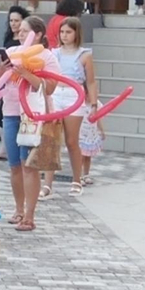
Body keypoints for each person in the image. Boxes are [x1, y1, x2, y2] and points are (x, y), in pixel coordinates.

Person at [14, 16, 61, 226]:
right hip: (13, 111)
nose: (20, 34)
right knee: (16, 164)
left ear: (38, 34)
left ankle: (29, 215)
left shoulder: (48, 57)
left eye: (25, 31)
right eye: (19, 30)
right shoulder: (15, 52)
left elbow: (49, 87)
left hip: (36, 114)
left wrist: (25, 73)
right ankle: (18, 209)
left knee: (29, 165)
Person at [51, 18, 98, 196]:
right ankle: (48, 183)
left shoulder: (85, 55)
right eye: (62, 32)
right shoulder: (54, 53)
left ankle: (76, 179)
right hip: (56, 93)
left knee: (72, 141)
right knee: (53, 139)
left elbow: (91, 81)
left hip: (74, 95)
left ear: (76, 33)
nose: (64, 36)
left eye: (68, 32)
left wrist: (93, 104)